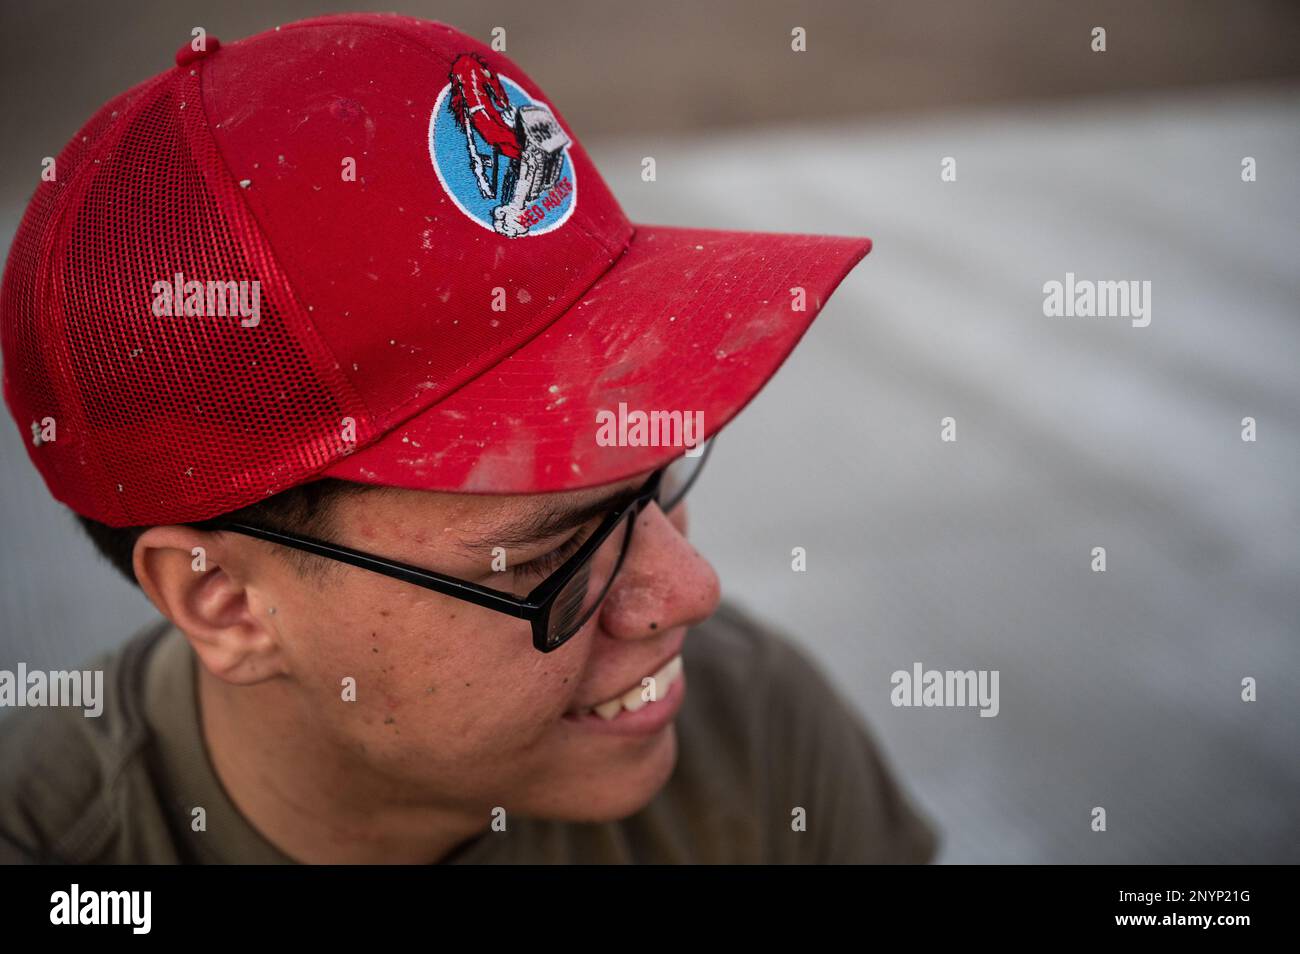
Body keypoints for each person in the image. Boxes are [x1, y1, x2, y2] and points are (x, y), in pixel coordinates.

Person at [0, 13, 937, 864]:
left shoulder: (753, 728)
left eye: (659, 476)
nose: (690, 593)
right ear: (226, 603)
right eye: (550, 559)